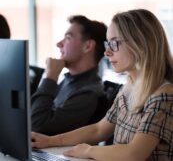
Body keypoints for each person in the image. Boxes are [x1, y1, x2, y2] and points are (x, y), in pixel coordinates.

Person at [32, 9, 173, 161]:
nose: (107, 52)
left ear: (141, 43)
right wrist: (50, 141)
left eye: (114, 43)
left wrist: (88, 151)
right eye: (108, 43)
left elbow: (134, 154)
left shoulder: (163, 94)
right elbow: (99, 130)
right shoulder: (129, 88)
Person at [31, 15, 107, 135]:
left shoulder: (88, 93)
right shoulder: (70, 80)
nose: (59, 44)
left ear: (88, 46)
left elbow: (36, 126)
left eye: (68, 38)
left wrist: (50, 77)